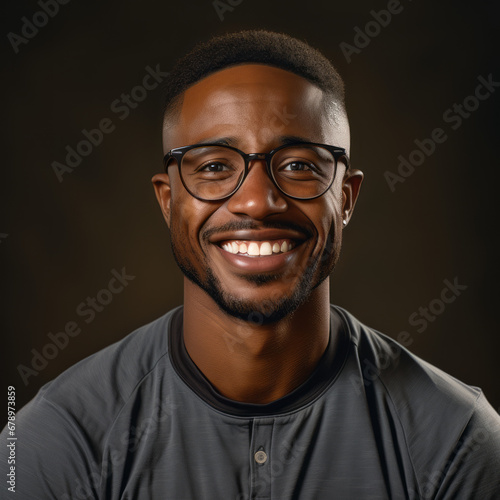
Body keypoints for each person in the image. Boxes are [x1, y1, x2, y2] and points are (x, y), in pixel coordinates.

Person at [2, 30, 500, 500]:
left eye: (300, 165)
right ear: (167, 199)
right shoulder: (55, 442)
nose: (258, 202)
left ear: (346, 199)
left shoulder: (455, 441)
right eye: (215, 166)